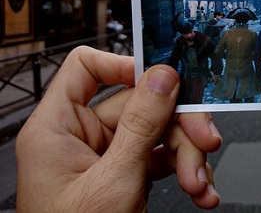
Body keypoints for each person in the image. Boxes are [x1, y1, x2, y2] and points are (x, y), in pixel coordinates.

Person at [15, 46, 222, 211]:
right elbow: (177, 57)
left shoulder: (202, 39)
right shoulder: (180, 44)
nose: (188, 36)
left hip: (198, 76)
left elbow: (211, 56)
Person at [211, 8, 261, 103]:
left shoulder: (227, 34)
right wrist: (250, 57)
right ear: (247, 21)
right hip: (247, 70)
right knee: (249, 95)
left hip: (231, 70)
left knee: (233, 95)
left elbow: (218, 50)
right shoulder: (253, 35)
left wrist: (226, 56)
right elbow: (258, 53)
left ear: (235, 20)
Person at [168, 15, 223, 104]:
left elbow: (215, 56)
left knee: (195, 100)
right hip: (185, 75)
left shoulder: (204, 40)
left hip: (200, 75)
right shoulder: (179, 42)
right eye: (186, 34)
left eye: (191, 32)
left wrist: (216, 73)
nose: (190, 35)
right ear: (182, 34)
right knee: (183, 100)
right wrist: (169, 73)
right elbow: (173, 59)